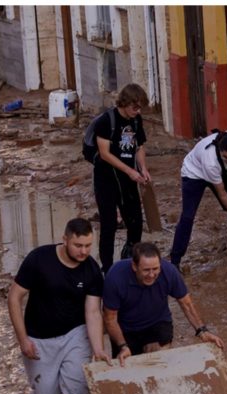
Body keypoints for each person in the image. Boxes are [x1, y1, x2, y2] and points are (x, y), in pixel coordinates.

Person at [6, 218, 110, 394]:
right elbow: (14, 297)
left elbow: (93, 312)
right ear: (65, 240)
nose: (84, 251)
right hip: (39, 337)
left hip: (75, 335)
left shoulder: (92, 270)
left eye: (88, 245)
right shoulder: (39, 260)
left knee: (82, 390)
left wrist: (97, 348)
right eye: (78, 245)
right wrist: (23, 339)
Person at [103, 242, 224, 366]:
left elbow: (186, 303)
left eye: (155, 269)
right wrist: (122, 345)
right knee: (128, 368)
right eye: (146, 270)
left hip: (157, 323)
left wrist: (202, 331)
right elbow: (110, 319)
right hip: (125, 329)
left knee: (157, 363)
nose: (151, 275)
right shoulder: (115, 277)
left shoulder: (168, 271)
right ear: (134, 266)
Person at [92, 83, 151, 272]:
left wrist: (143, 168)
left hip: (128, 178)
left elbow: (139, 146)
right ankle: (107, 268)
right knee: (108, 224)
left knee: (135, 221)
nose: (137, 111)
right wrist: (129, 171)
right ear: (125, 103)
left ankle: (130, 259)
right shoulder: (106, 121)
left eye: (140, 107)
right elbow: (105, 154)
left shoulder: (136, 120)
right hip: (106, 177)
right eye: (135, 107)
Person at [170, 131, 227, 269]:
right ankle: (175, 261)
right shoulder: (210, 160)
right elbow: (222, 194)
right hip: (194, 173)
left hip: (220, 173)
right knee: (188, 216)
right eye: (226, 158)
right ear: (219, 149)